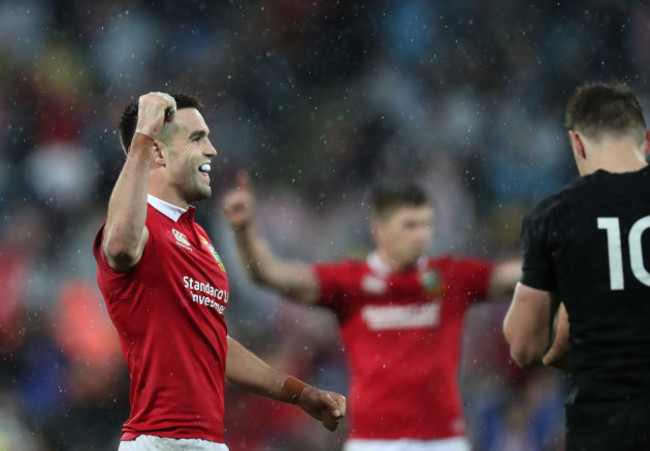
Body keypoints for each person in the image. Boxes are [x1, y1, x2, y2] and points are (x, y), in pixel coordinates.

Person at [92, 92, 346, 451]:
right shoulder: (138, 227)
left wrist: (298, 393)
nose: (211, 150)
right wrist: (142, 139)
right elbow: (119, 246)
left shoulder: (199, 237)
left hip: (206, 442)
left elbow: (211, 343)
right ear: (158, 153)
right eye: (197, 138)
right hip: (160, 441)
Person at [221, 174, 521, 450]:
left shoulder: (451, 277)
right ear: (378, 229)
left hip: (442, 441)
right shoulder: (351, 282)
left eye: (426, 224)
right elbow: (269, 274)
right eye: (409, 225)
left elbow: (518, 274)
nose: (421, 236)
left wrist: (561, 246)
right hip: (373, 442)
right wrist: (244, 230)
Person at [503, 82, 650, 450]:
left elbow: (524, 346)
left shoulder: (555, 216)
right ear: (646, 140)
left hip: (606, 428)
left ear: (577, 144)